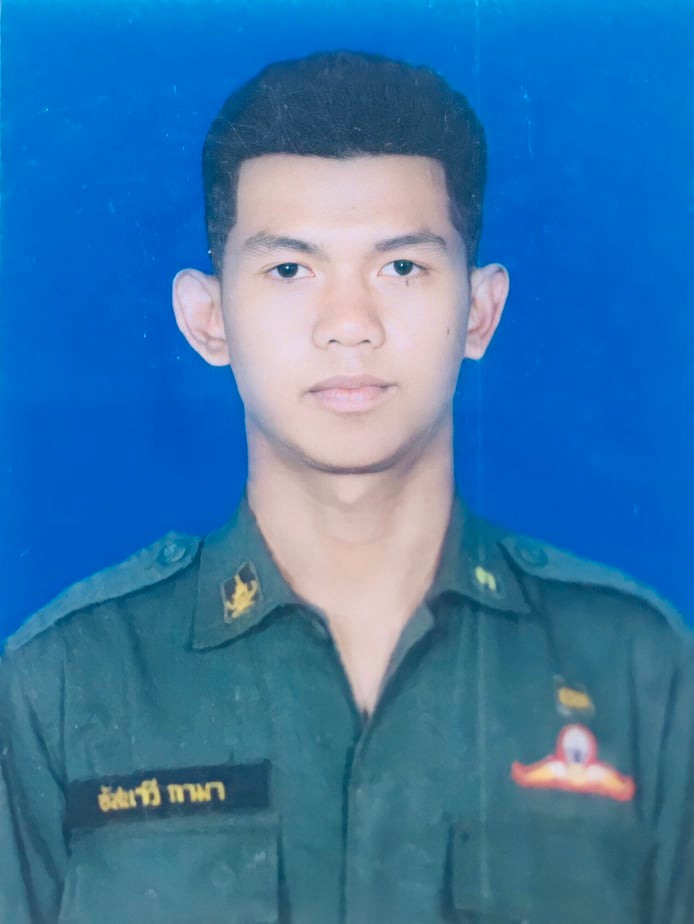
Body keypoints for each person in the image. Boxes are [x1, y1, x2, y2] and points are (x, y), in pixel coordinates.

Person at [1, 50, 692, 924]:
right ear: (207, 318)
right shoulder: (65, 684)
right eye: (290, 270)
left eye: (401, 268)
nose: (350, 326)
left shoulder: (635, 666)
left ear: (480, 311)